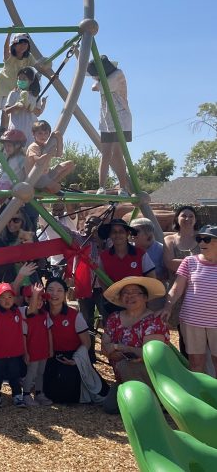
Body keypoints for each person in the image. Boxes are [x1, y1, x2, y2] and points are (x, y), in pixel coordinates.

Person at [101, 276, 169, 414]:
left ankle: (153, 401)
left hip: (151, 376)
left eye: (135, 292)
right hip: (122, 376)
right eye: (125, 293)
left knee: (125, 365)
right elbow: (105, 348)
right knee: (110, 406)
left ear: (145, 297)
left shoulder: (154, 321)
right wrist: (115, 350)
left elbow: (150, 355)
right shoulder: (114, 318)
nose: (129, 296)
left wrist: (120, 348)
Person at [42, 277, 109, 404]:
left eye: (59, 290)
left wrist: (76, 360)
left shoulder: (74, 316)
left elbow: (86, 342)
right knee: (48, 392)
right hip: (49, 356)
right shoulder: (41, 313)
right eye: (50, 290)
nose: (54, 294)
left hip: (71, 356)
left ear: (65, 294)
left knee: (68, 392)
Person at [160, 225, 217, 374]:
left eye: (207, 239)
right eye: (199, 239)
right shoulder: (189, 262)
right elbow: (176, 288)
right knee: (196, 363)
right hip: (192, 321)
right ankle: (200, 395)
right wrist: (168, 306)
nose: (202, 243)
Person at [89, 55, 132, 195]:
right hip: (107, 119)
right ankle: (101, 186)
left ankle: (123, 187)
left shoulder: (117, 74)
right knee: (106, 152)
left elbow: (97, 87)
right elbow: (94, 85)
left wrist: (98, 80)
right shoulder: (104, 77)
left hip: (120, 118)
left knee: (117, 153)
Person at [96, 218, 157, 317]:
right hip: (113, 303)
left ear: (127, 234)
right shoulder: (103, 256)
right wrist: (113, 297)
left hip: (137, 302)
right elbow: (101, 279)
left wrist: (143, 298)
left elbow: (151, 278)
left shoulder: (140, 254)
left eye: (121, 232)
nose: (117, 235)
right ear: (110, 235)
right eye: (114, 232)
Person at [0, 283, 28, 408]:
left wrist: (24, 351)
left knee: (15, 375)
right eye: (3, 297)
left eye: (10, 297)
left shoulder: (18, 312)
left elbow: (22, 332)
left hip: (15, 351)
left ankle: (17, 395)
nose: (7, 300)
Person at [0, 32, 37, 133]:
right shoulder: (10, 56)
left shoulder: (28, 57)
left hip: (15, 86)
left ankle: (3, 128)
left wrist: (49, 73)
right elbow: (5, 48)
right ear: (14, 45)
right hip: (3, 83)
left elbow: (37, 66)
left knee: (8, 106)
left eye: (25, 44)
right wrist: (9, 34)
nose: (23, 47)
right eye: (20, 44)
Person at [20, 282, 54, 406]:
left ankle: (39, 393)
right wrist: (26, 352)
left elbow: (49, 331)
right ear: (26, 299)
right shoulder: (25, 314)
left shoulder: (45, 314)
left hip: (43, 349)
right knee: (31, 372)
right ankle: (26, 394)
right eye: (34, 297)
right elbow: (23, 336)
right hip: (32, 350)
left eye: (41, 298)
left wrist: (50, 348)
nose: (38, 301)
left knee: (41, 372)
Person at [25, 120, 75, 194]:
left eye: (46, 133)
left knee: (70, 164)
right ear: (33, 134)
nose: (43, 136)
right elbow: (38, 161)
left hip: (46, 173)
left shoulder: (46, 145)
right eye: (40, 133)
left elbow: (59, 154)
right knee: (57, 188)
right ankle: (46, 187)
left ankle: (50, 184)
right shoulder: (33, 146)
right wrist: (49, 153)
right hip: (36, 177)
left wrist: (59, 138)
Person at [3, 67, 46, 145]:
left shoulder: (35, 96)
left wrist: (31, 108)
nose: (21, 81)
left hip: (31, 131)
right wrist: (16, 106)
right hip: (16, 130)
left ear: (31, 81)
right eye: (19, 79)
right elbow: (6, 110)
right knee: (16, 154)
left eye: (24, 78)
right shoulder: (13, 93)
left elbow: (38, 112)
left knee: (29, 154)